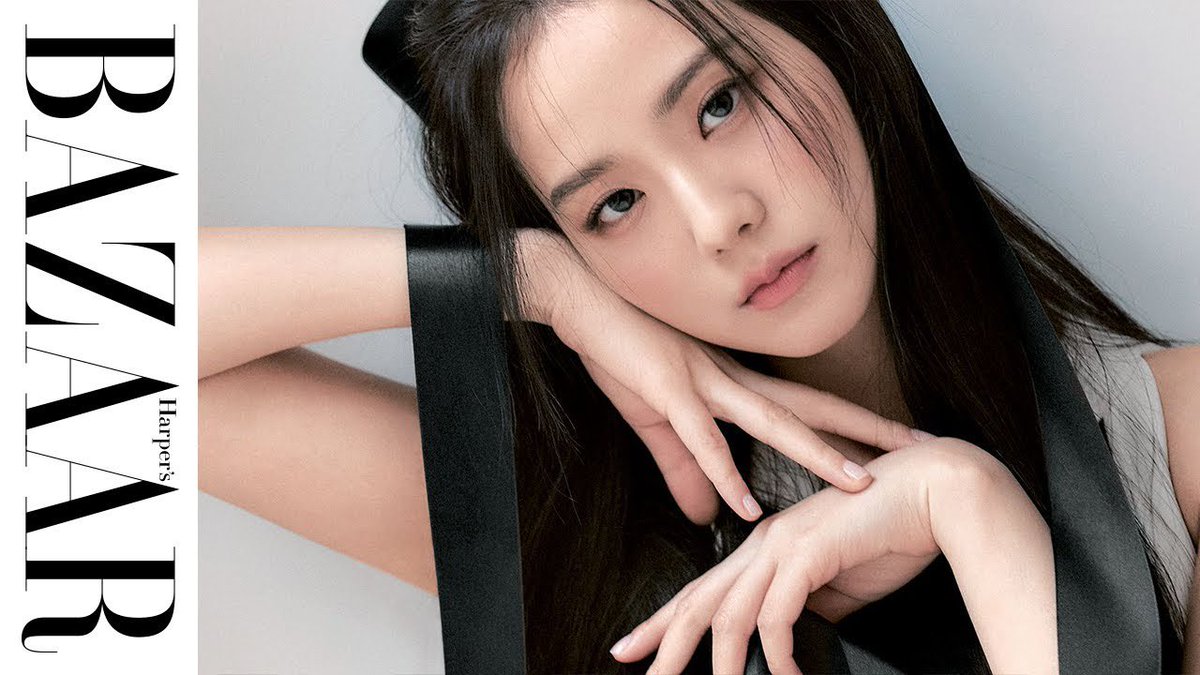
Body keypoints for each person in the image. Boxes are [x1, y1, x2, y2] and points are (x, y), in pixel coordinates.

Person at [199, 0, 1199, 672]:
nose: (719, 221)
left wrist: (966, 503)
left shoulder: (1180, 440)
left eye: (719, 103)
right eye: (614, 205)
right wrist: (536, 281)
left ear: (828, 32)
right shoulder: (581, 529)